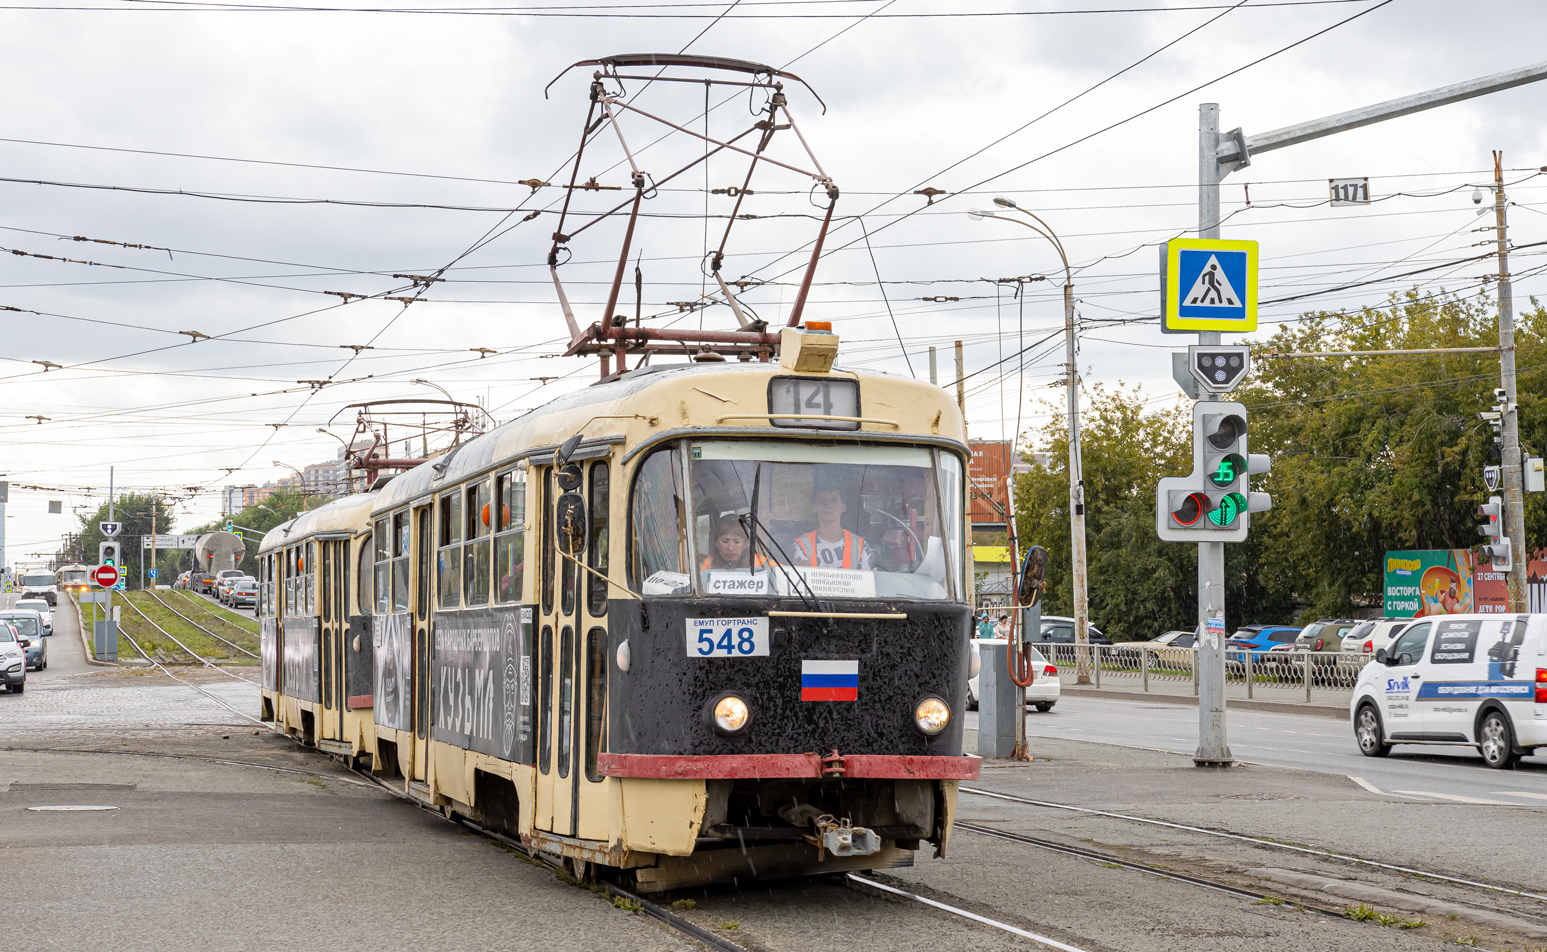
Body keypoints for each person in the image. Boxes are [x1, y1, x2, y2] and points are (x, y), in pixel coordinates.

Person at [793, 487, 873, 570]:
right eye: (822, 501)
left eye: (833, 500)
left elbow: (866, 580)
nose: (828, 505)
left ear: (843, 507)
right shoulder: (802, 544)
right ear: (814, 508)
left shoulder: (860, 546)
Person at [701, 515, 770, 571]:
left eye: (736, 542)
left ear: (745, 544)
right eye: (725, 541)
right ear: (716, 543)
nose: (731, 548)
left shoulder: (765, 565)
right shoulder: (705, 568)